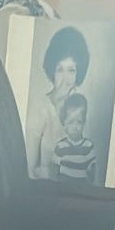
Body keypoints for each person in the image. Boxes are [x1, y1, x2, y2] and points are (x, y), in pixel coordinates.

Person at [26, 25, 91, 178]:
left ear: (78, 73)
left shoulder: (78, 106)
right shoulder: (40, 108)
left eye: (71, 70)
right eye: (59, 69)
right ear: (51, 70)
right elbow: (28, 168)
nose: (65, 79)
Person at [53, 92, 98, 183]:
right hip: (64, 188)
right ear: (64, 124)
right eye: (71, 122)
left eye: (79, 122)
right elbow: (55, 171)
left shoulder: (88, 146)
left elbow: (92, 173)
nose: (75, 126)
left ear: (84, 122)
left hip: (81, 189)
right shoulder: (60, 146)